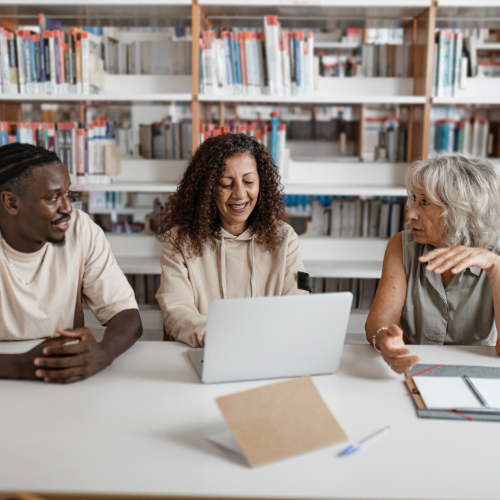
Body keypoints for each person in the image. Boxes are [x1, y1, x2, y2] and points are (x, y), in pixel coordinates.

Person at [0, 143, 142, 383]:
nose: (67, 208)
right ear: (11, 203)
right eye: (53, 197)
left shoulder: (80, 228)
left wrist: (104, 353)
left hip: (65, 381)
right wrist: (19, 366)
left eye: (68, 194)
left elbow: (126, 314)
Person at [156, 133, 309, 347]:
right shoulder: (179, 240)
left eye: (248, 181)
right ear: (207, 188)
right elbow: (176, 311)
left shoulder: (284, 238)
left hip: (269, 351)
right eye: (226, 184)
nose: (239, 193)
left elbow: (298, 301)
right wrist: (220, 338)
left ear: (261, 184)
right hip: (208, 352)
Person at [366, 154, 500, 374]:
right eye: (414, 199)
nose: (410, 214)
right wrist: (384, 340)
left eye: (425, 202)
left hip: (479, 373)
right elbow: (379, 321)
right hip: (415, 369)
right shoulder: (402, 245)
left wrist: (495, 268)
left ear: (461, 211)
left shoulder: (496, 255)